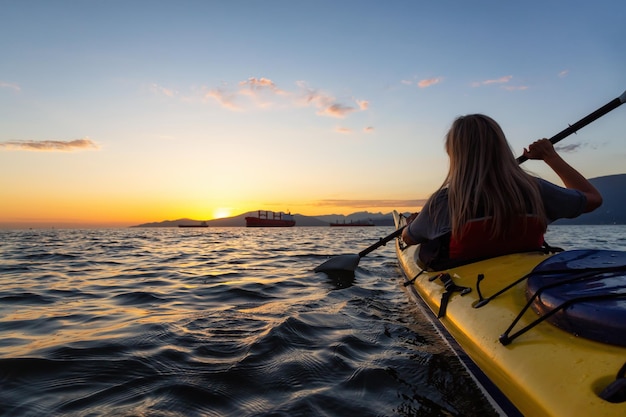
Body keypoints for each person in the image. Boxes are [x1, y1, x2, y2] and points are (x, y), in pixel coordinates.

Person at [401, 114, 602, 269]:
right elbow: (593, 199)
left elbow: (408, 239)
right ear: (502, 148)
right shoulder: (534, 189)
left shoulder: (444, 202)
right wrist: (551, 157)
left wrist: (413, 224)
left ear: (455, 155)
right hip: (527, 281)